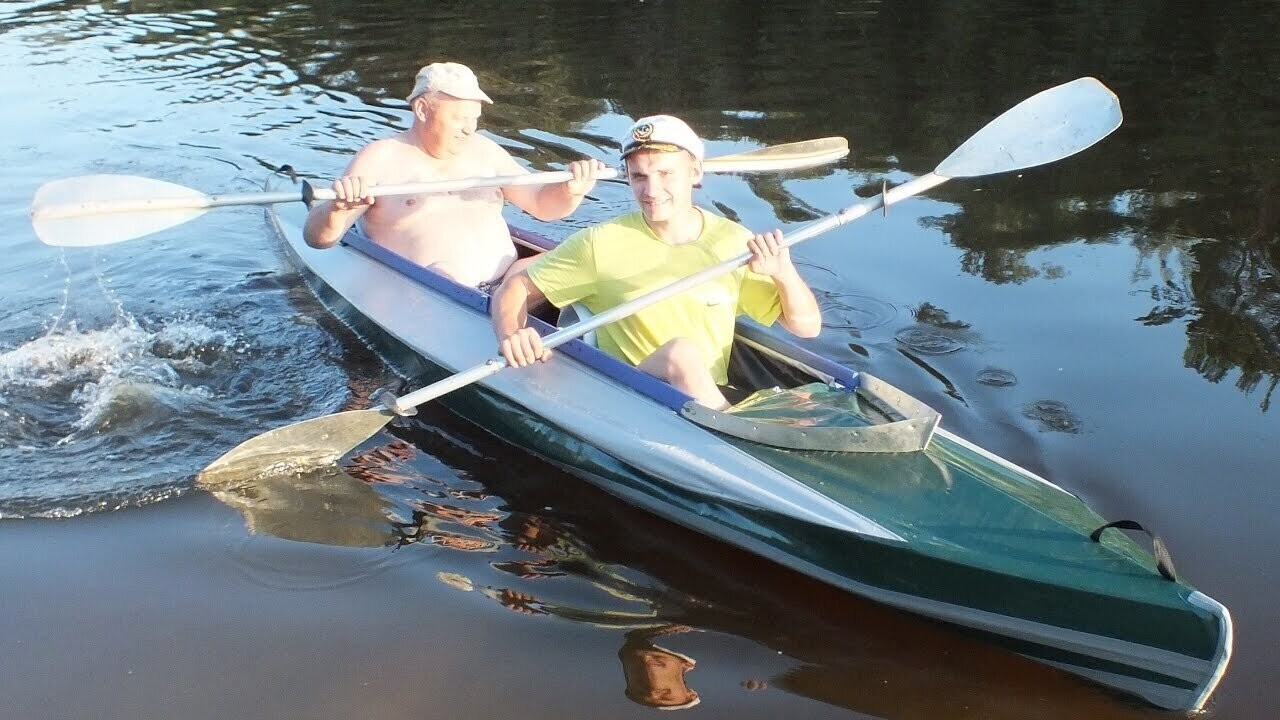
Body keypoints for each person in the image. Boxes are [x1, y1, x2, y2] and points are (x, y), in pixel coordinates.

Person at [491, 115, 822, 409]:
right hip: (637, 397)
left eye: (665, 174)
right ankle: (736, 428)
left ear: (695, 172)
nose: (651, 190)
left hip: (709, 394)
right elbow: (514, 288)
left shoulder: (732, 241)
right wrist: (512, 334)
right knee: (681, 354)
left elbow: (807, 328)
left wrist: (784, 273)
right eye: (639, 176)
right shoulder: (600, 243)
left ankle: (734, 417)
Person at [302, 61, 606, 288]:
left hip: (510, 284)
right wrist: (337, 209)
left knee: (587, 254)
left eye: (474, 118)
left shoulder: (485, 150)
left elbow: (542, 205)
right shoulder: (380, 158)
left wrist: (570, 191)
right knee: (443, 276)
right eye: (459, 118)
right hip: (431, 294)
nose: (469, 129)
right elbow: (319, 240)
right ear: (423, 110)